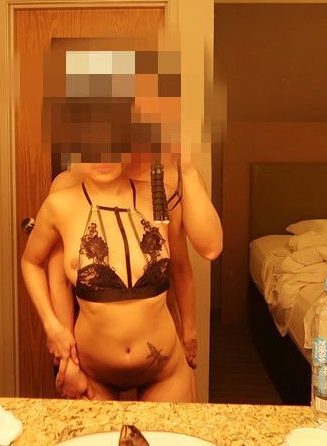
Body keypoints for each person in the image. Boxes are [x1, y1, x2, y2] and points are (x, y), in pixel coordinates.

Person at [21, 155, 221, 401]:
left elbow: (185, 265)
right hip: (92, 370)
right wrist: (56, 335)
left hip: (164, 367)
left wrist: (189, 331)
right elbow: (37, 265)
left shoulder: (161, 195)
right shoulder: (60, 202)